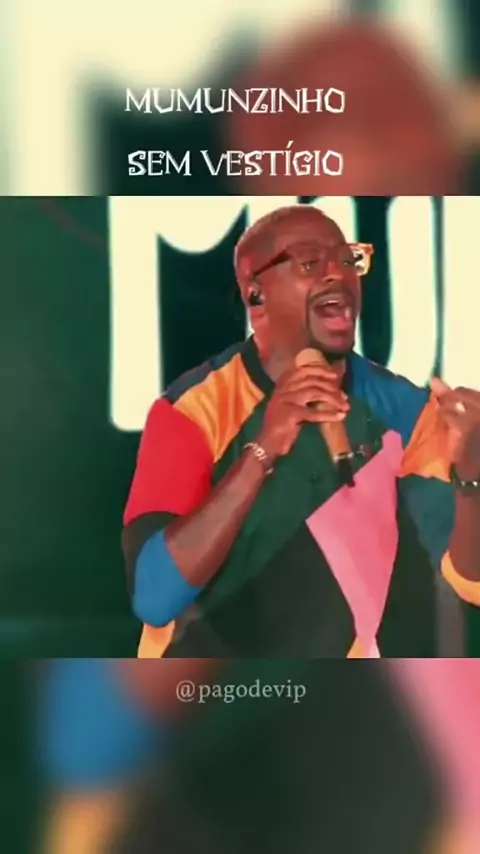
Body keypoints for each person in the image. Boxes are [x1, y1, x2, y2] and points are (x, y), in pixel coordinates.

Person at [122, 204, 480, 659]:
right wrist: (262, 450)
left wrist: (472, 477)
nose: (338, 274)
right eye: (311, 262)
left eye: (348, 259)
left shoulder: (402, 409)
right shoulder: (192, 410)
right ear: (256, 297)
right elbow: (154, 597)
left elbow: (471, 581)